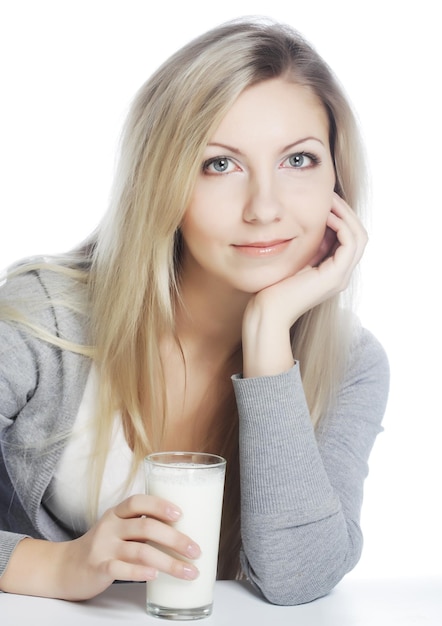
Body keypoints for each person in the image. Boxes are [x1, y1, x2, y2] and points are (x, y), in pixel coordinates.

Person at [0, 17, 389, 605]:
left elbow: (300, 578)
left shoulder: (352, 363)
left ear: (338, 178)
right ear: (162, 184)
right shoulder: (41, 323)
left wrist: (267, 333)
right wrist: (57, 566)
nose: (264, 207)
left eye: (299, 160)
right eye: (220, 164)